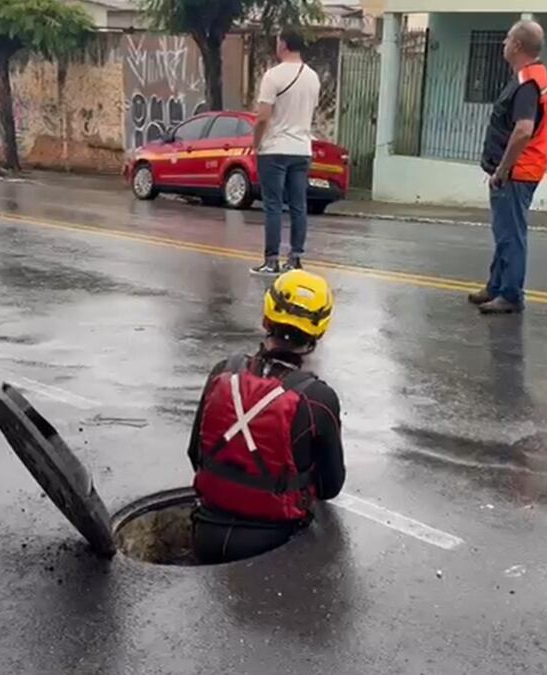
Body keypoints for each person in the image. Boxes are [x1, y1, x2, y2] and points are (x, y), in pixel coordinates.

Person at [186, 269, 345, 564]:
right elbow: (330, 487)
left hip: (205, 529)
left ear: (265, 318)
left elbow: (195, 453)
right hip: (274, 543)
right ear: (319, 332)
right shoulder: (318, 399)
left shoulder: (223, 371)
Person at [468, 20, 547, 315]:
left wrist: (503, 168)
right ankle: (495, 285)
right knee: (504, 231)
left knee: (511, 234)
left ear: (517, 45)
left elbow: (523, 130)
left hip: (518, 171)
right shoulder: (532, 76)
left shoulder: (527, 83)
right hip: (523, 168)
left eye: (507, 39)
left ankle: (510, 294)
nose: (503, 43)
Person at [250, 27, 321, 276]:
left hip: (275, 149)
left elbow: (263, 117)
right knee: (298, 206)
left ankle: (271, 261)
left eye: (278, 40)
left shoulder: (273, 76)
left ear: (284, 45)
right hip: (302, 148)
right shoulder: (313, 77)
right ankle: (296, 258)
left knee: (273, 205)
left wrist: (256, 143)